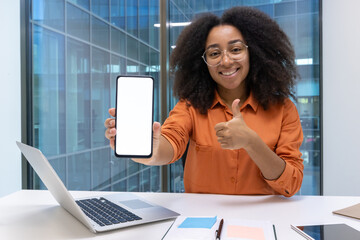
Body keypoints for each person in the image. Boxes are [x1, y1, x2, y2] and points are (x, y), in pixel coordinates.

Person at [105, 6, 303, 197]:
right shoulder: (190, 106)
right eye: (214, 53)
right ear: (203, 62)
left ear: (254, 52)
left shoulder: (284, 110)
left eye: (235, 49)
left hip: (265, 222)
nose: (225, 61)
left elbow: (291, 184)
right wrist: (149, 149)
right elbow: (171, 142)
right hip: (204, 225)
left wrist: (251, 142)